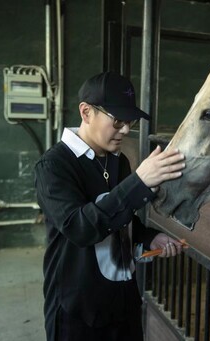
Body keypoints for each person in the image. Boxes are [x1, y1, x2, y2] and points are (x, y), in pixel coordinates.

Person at [34, 71, 186, 341]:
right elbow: (80, 228)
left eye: (129, 121)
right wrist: (139, 182)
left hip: (123, 304)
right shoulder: (54, 166)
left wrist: (150, 238)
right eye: (117, 121)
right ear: (86, 112)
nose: (126, 130)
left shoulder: (118, 161)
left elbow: (123, 220)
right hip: (77, 311)